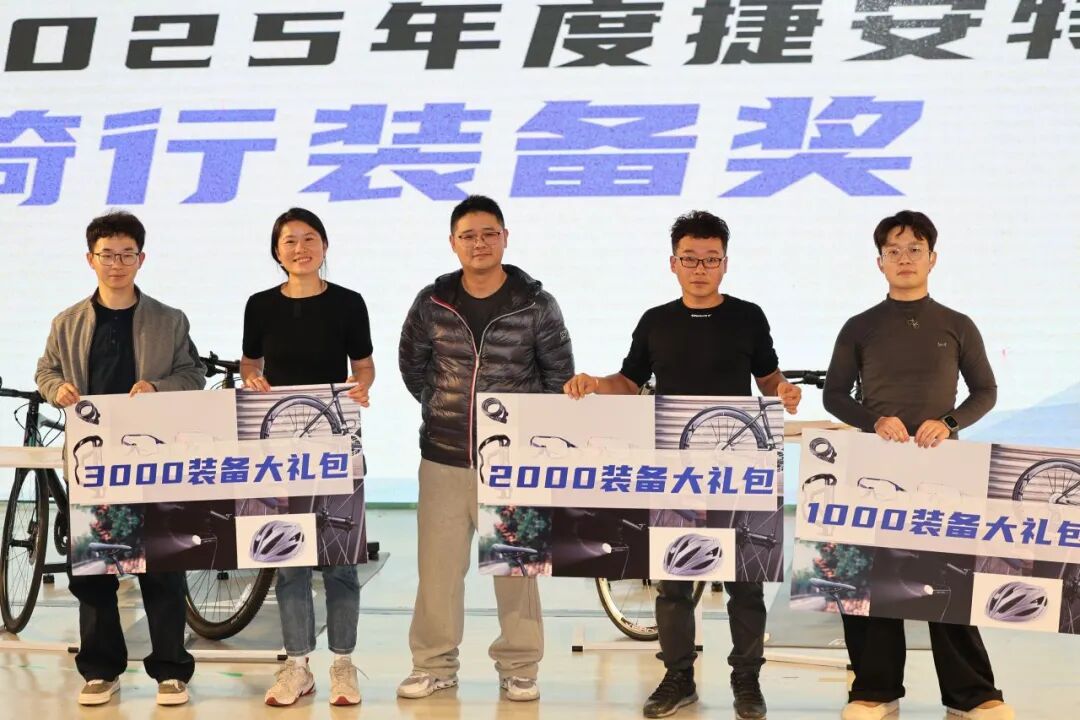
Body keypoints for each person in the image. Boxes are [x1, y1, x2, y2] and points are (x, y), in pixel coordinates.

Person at [564, 210, 801, 719]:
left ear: (725, 264)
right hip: (675, 470)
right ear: (672, 263)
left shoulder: (748, 317)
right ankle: (678, 677)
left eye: (711, 260)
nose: (700, 269)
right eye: (690, 259)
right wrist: (594, 383)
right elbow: (628, 381)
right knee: (673, 580)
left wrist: (783, 391)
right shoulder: (656, 321)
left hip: (740, 468)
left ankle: (746, 679)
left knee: (745, 581)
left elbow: (768, 379)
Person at [822, 210, 1012, 720]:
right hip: (873, 468)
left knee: (948, 580)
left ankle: (974, 696)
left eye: (915, 250)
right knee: (870, 584)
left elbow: (985, 391)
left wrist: (949, 422)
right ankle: (874, 692)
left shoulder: (956, 324)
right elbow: (834, 395)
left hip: (940, 468)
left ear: (933, 258)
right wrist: (874, 420)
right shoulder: (860, 326)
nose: (904, 259)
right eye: (893, 251)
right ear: (879, 262)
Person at [397, 194, 574, 702]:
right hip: (444, 455)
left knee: (516, 569)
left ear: (505, 238)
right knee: (438, 572)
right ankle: (434, 664)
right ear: (453, 243)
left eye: (489, 233)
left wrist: (524, 439)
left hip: (512, 463)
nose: (480, 243)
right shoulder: (432, 303)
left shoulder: (536, 304)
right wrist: (444, 410)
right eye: (468, 236)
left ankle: (520, 667)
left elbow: (558, 378)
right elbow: (413, 369)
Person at [35, 210, 206, 707]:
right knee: (93, 572)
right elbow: (45, 371)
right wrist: (56, 389)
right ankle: (101, 669)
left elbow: (193, 374)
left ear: (141, 259)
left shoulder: (169, 320)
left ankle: (171, 670)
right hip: (93, 464)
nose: (116, 263)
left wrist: (158, 387)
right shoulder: (67, 322)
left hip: (154, 462)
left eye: (126, 254)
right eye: (107, 254)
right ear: (90, 259)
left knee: (163, 569)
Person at [240, 207, 375, 707]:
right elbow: (250, 361)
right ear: (277, 252)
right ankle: (297, 665)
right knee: (287, 558)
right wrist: (251, 379)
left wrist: (361, 387)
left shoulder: (348, 303)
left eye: (309, 238)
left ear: (324, 245)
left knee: (339, 559)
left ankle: (343, 663)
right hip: (278, 449)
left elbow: (364, 366)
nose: (301, 249)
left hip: (335, 443)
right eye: (290, 241)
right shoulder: (259, 305)